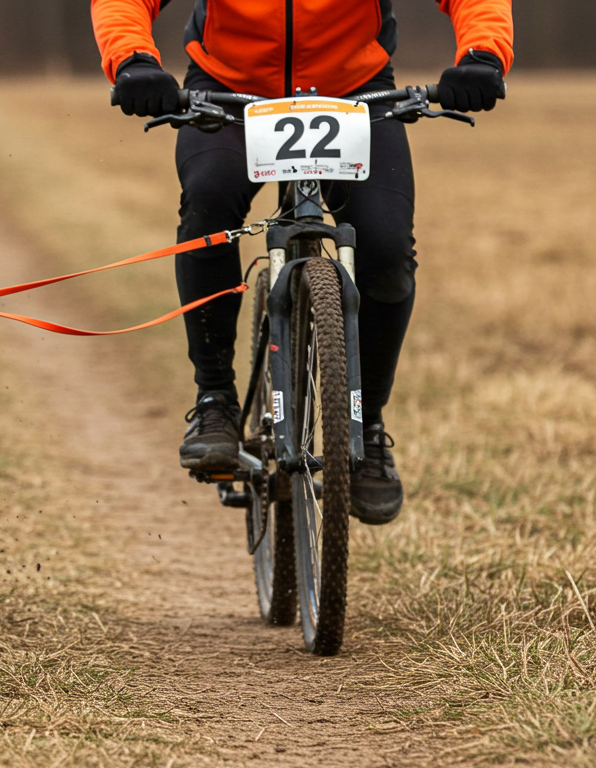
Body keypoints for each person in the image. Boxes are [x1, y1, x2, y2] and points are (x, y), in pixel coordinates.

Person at [91, 0, 513, 524]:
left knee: (385, 251)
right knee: (209, 211)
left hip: (354, 89)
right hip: (230, 87)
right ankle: (214, 401)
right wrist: (133, 60)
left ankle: (367, 427)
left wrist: (481, 54)